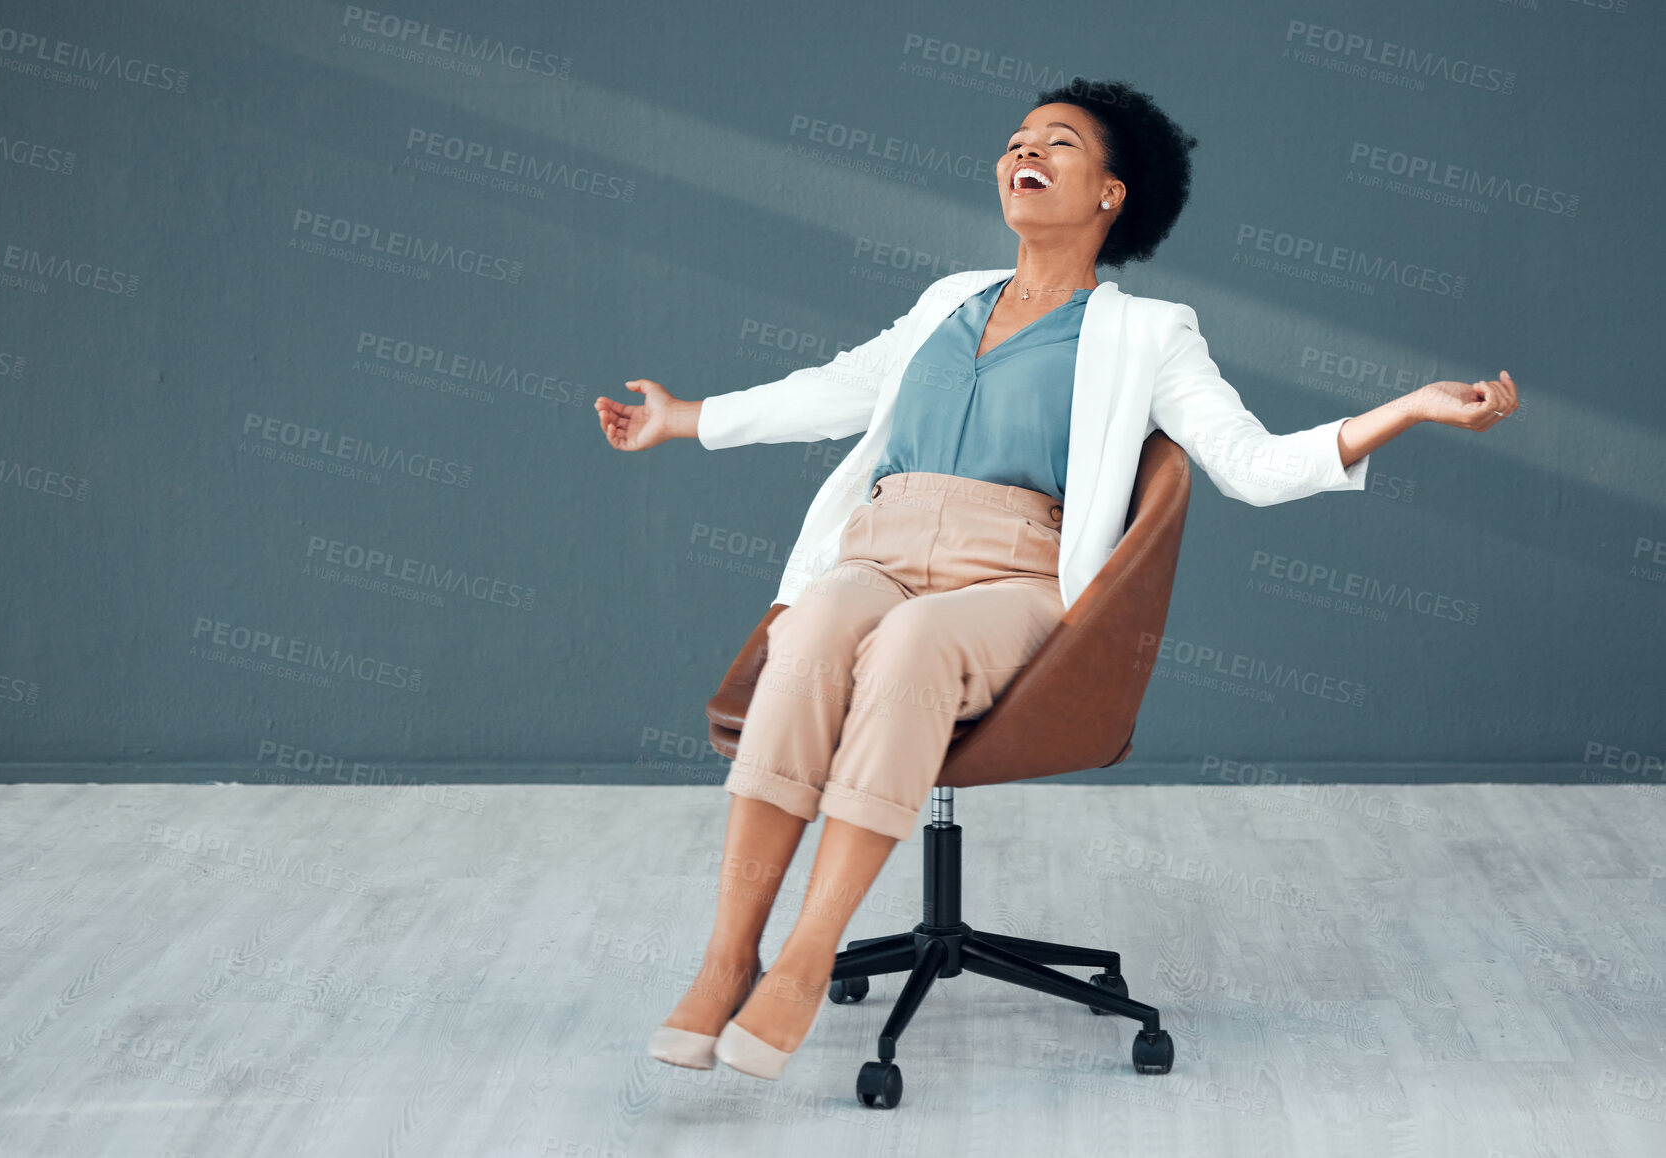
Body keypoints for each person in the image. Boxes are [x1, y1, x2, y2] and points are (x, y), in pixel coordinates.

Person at [595, 77, 1517, 1083]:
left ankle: (809, 956)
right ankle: (729, 954)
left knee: (912, 646)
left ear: (1112, 193)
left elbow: (1249, 465)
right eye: (1015, 139)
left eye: (1059, 142)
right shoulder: (947, 300)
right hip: (879, 546)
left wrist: (1411, 409)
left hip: (1015, 572)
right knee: (812, 627)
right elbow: (836, 389)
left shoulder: (1149, 333)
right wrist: (683, 417)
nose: (1022, 151)